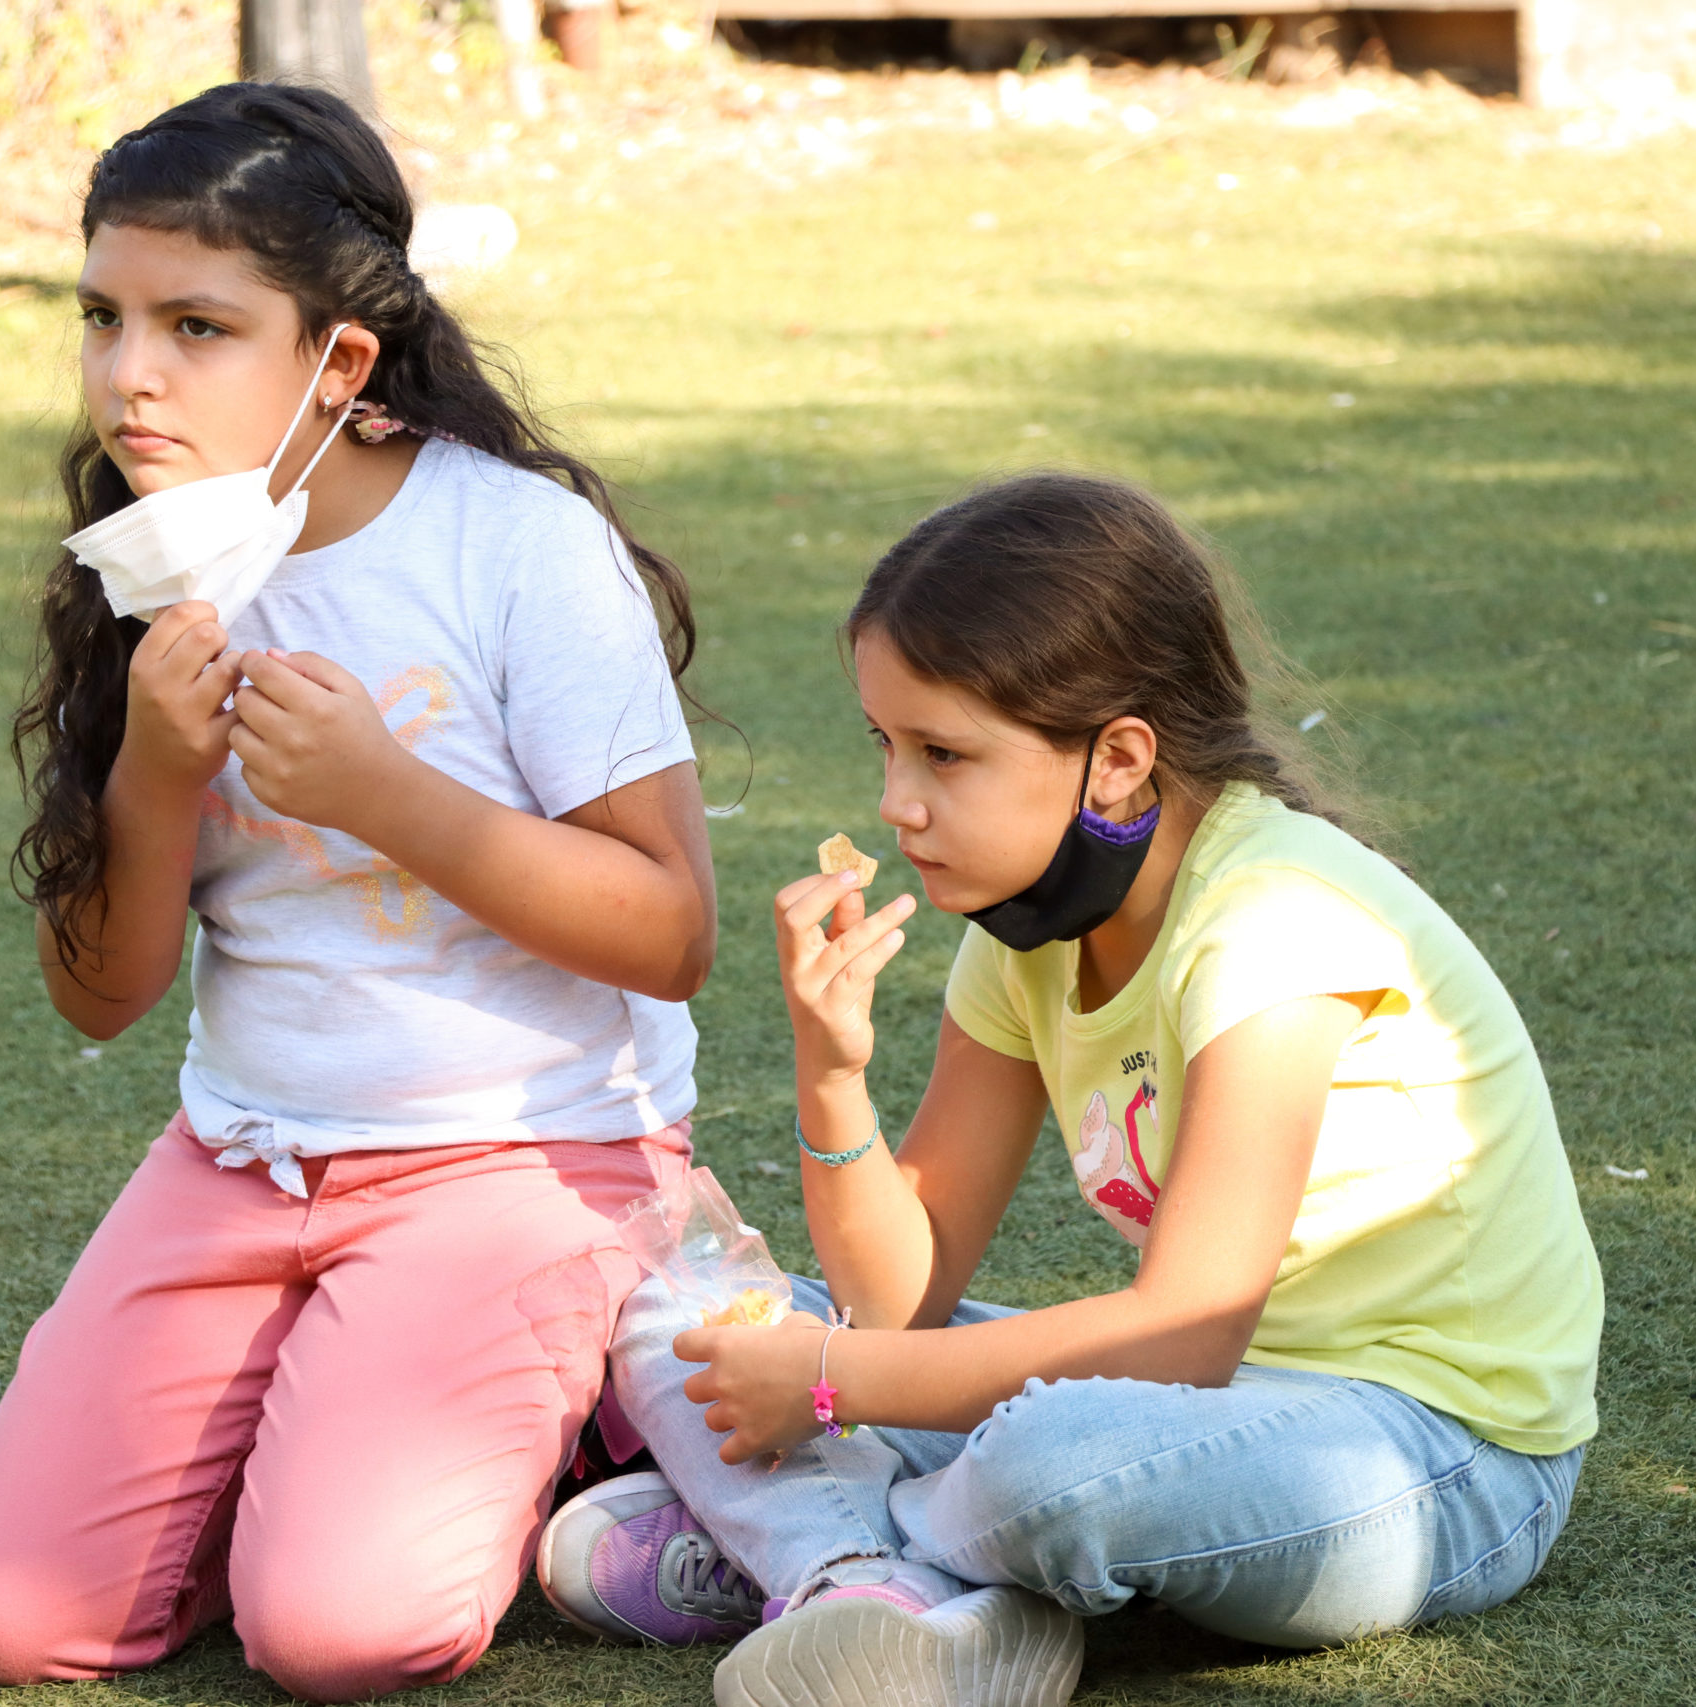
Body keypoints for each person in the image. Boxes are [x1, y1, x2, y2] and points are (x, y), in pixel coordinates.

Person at [539, 474, 1603, 1707]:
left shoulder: (1274, 918)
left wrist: (830, 1383)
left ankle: (825, 1546)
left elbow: (1185, 1331)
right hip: (1205, 1408)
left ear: (1118, 761)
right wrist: (832, 1076)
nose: (897, 803)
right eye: (886, 745)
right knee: (682, 1316)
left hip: (1434, 1454)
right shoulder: (1023, 936)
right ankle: (866, 1585)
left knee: (1049, 1465)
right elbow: (901, 1297)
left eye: (944, 754)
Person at [0, 83, 717, 1701]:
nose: (129, 371)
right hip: (245, 1157)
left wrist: (391, 798)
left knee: (339, 1631)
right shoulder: (146, 567)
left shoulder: (514, 549)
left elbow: (670, 927)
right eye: (104, 316)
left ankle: (616, 1383)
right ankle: (341, 1394)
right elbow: (100, 993)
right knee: (10, 1619)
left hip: (519, 1153)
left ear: (339, 361)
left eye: (198, 325)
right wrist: (154, 766)